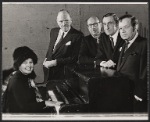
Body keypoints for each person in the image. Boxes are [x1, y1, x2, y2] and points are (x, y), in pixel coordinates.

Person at [3, 46, 62, 113]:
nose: (29, 65)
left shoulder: (24, 76)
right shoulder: (16, 81)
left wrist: (48, 94)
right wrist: (45, 103)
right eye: (25, 63)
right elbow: (24, 108)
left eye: (30, 62)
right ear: (18, 64)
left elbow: (29, 95)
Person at [117, 14, 147, 112]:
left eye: (126, 27)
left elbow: (146, 71)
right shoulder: (124, 44)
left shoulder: (144, 43)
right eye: (120, 28)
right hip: (124, 95)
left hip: (137, 98)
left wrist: (139, 94)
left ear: (135, 27)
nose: (122, 31)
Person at [43, 10, 83, 82]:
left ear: (71, 20)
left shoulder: (78, 36)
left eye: (66, 20)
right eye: (61, 21)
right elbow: (51, 48)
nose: (64, 24)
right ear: (57, 22)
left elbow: (74, 58)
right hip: (48, 71)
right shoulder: (53, 31)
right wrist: (46, 59)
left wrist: (55, 62)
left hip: (63, 75)